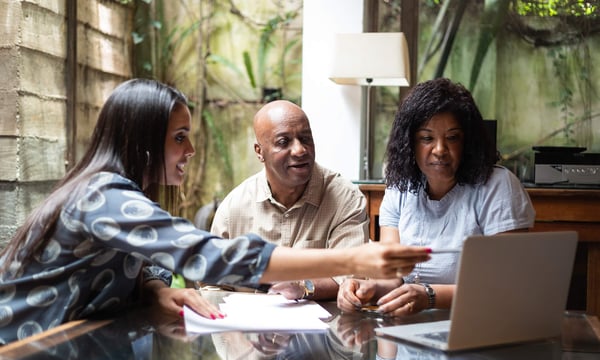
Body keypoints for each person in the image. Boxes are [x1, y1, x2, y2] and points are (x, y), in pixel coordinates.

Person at [0, 78, 431, 345]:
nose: (190, 150)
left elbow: (145, 266)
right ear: (146, 141)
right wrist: (353, 259)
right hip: (24, 358)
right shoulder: (103, 196)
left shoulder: (118, 193)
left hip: (70, 347)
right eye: (180, 137)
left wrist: (154, 290)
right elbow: (212, 257)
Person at [337, 77, 535, 317]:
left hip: (479, 324)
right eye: (427, 138)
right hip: (411, 328)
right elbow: (394, 277)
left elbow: (506, 286)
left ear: (468, 142)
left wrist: (429, 296)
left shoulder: (498, 186)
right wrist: (369, 288)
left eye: (452, 138)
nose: (440, 149)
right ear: (410, 143)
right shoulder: (400, 187)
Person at [210, 100, 369, 300]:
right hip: (249, 328)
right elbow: (213, 285)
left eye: (305, 139)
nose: (300, 150)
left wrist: (304, 287)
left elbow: (351, 279)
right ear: (260, 152)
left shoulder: (345, 199)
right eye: (284, 142)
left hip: (324, 327)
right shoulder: (234, 209)